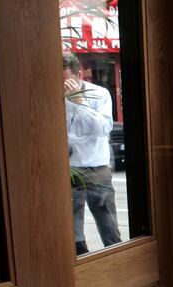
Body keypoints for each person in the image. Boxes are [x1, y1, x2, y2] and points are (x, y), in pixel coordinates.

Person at [63, 52, 121, 255]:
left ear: (79, 75)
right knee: (73, 232)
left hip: (96, 169)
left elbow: (103, 128)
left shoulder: (99, 94)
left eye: (66, 82)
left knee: (109, 228)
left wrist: (79, 102)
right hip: (69, 169)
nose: (63, 88)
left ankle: (117, 265)